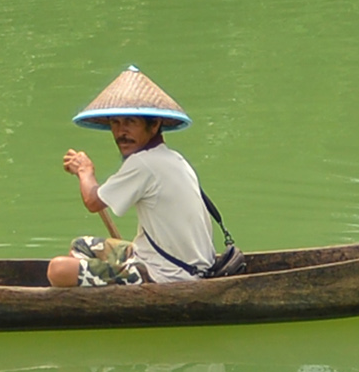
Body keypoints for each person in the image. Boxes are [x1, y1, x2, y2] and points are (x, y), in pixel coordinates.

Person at [47, 65, 228, 287]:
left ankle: (98, 295)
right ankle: (97, 296)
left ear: (154, 126)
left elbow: (93, 201)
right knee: (82, 246)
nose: (121, 132)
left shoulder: (142, 163)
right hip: (180, 265)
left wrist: (85, 171)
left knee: (58, 269)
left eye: (130, 122)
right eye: (115, 122)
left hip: (167, 276)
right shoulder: (174, 158)